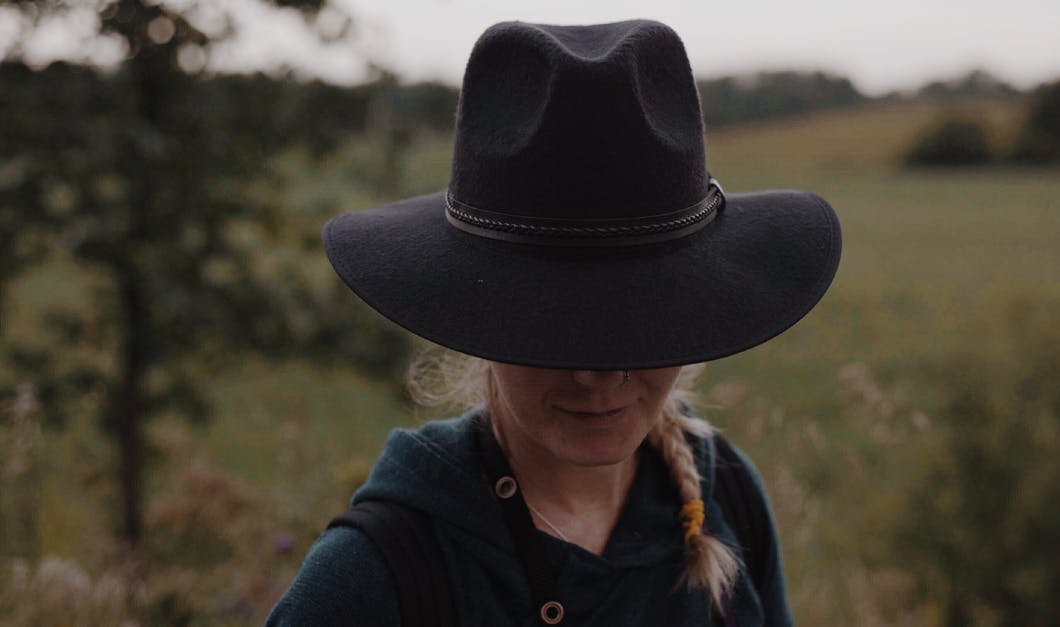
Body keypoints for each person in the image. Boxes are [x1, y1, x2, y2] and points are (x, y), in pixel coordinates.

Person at [267, 19, 841, 627]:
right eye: (554, 330)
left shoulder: (726, 497)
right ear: (481, 319)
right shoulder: (377, 573)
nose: (597, 375)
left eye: (642, 326)